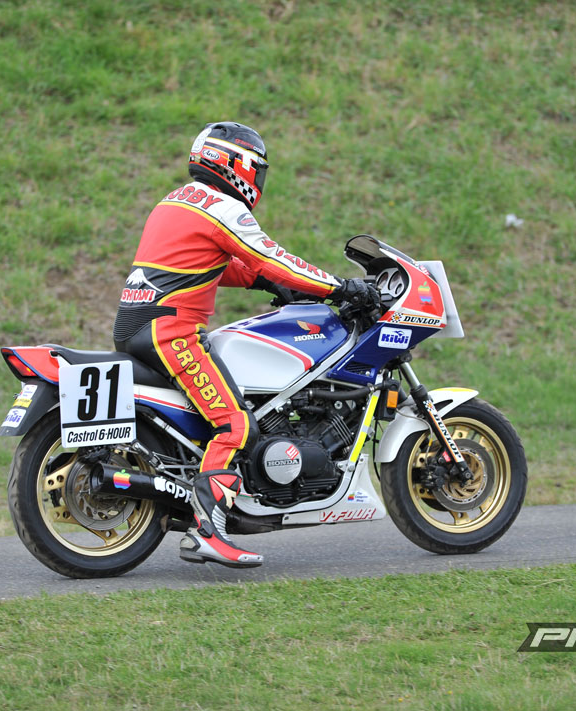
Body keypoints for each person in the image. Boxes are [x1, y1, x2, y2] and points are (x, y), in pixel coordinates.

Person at [112, 122, 379, 568]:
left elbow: (214, 264)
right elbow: (272, 257)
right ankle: (208, 532)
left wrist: (273, 286)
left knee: (221, 414)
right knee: (235, 424)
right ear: (237, 165)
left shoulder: (176, 201)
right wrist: (338, 287)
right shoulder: (222, 207)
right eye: (258, 169)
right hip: (171, 331)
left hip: (137, 325)